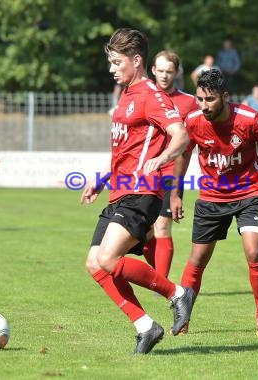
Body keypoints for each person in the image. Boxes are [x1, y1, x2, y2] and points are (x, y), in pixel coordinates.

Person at [80, 28, 194, 355]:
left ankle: (176, 293)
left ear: (136, 60)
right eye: (111, 62)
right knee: (94, 263)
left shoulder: (150, 95)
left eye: (117, 62)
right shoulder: (125, 94)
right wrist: (102, 178)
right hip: (120, 190)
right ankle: (145, 325)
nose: (112, 69)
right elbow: (125, 150)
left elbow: (180, 136)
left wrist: (162, 158)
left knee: (108, 258)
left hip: (142, 192)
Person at [170, 69, 258, 336]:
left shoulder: (250, 119)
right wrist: (175, 193)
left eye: (210, 100)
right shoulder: (192, 120)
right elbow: (183, 154)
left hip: (250, 192)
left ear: (225, 97)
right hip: (211, 197)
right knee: (198, 258)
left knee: (253, 252)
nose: (204, 106)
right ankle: (183, 318)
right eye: (200, 99)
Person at [144, 50, 198, 278]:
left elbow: (198, 133)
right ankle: (158, 273)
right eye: (161, 71)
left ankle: (161, 283)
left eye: (170, 72)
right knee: (143, 233)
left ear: (176, 73)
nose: (165, 76)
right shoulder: (142, 96)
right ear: (153, 71)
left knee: (162, 226)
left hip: (171, 172)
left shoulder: (189, 102)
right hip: (145, 172)